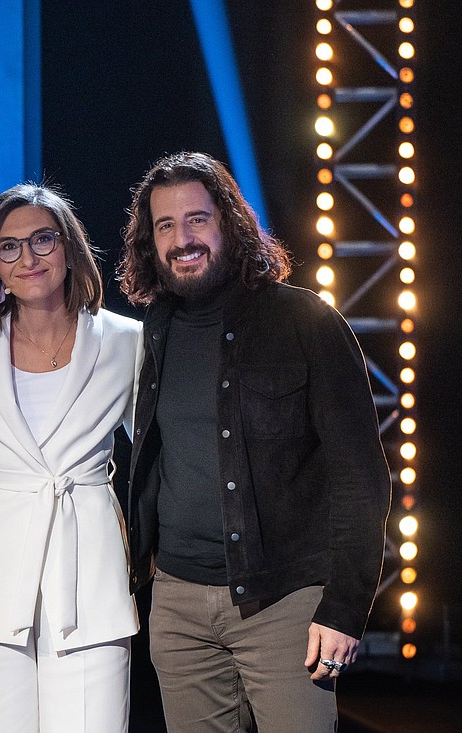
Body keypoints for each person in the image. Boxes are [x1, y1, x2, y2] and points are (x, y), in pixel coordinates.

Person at [118, 151, 391, 731]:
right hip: (178, 604)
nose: (181, 238)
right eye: (164, 225)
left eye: (197, 219)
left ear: (231, 224)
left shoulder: (308, 322)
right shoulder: (152, 333)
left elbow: (361, 478)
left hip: (286, 603)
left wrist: (345, 608)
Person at [0, 183, 143, 732]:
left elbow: (160, 455)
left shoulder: (125, 340)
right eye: (9, 246)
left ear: (69, 248)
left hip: (89, 577)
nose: (28, 258)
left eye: (42, 240)